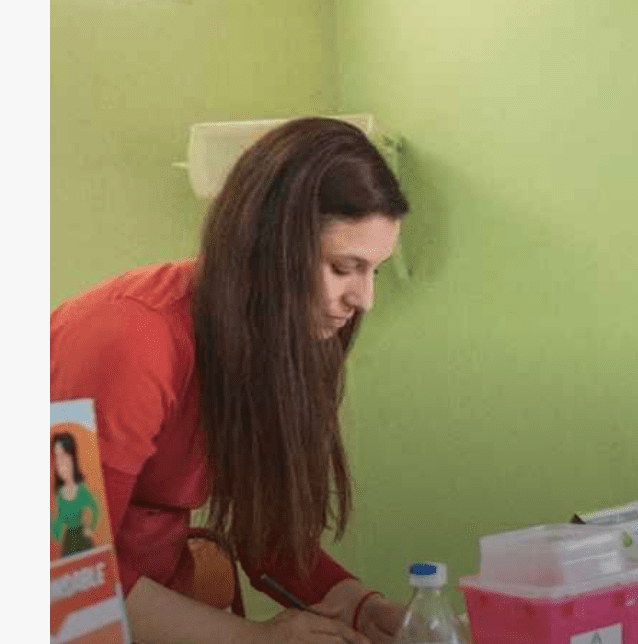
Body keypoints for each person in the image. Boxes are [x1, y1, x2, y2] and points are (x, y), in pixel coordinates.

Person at [51, 117, 411, 644]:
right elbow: (64, 568)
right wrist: (258, 639)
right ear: (266, 249)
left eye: (374, 270)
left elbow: (262, 526)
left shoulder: (285, 340)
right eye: (342, 267)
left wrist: (360, 605)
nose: (364, 299)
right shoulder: (130, 340)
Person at [51, 431, 101, 557]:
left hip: (82, 538)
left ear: (73, 457)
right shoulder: (59, 494)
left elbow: (95, 507)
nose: (60, 463)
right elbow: (58, 526)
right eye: (56, 457)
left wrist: (90, 527)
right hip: (68, 541)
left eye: (64, 456)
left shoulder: (82, 489)